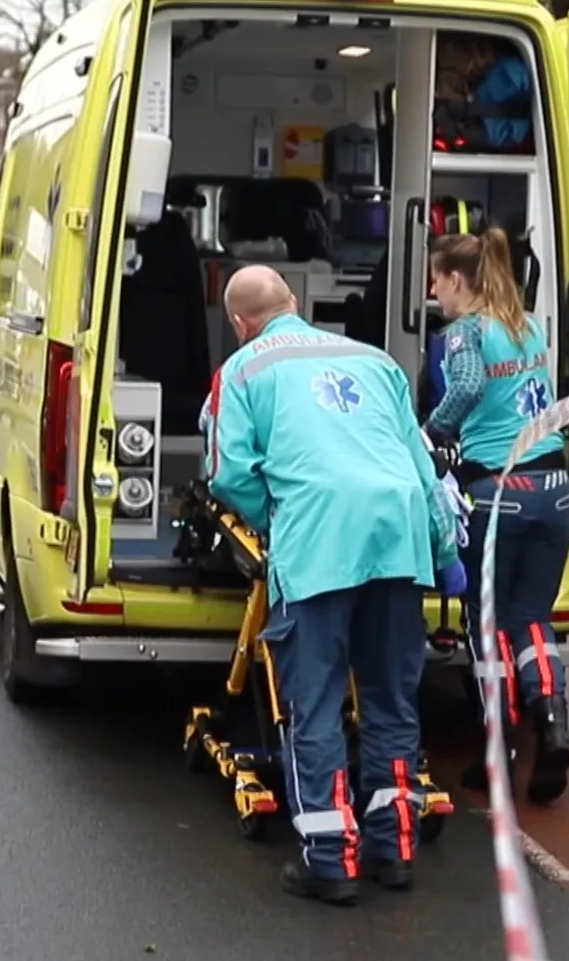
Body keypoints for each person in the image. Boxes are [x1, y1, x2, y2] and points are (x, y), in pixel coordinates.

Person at [207, 265, 467, 905]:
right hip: (396, 538)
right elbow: (421, 467)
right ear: (294, 302)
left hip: (319, 544)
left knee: (316, 706)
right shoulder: (376, 363)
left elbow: (227, 474)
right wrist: (444, 551)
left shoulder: (242, 372)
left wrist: (280, 521)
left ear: (241, 323)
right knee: (391, 702)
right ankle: (395, 849)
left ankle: (329, 861)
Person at [423, 228, 569, 806]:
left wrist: (428, 435)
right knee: (533, 620)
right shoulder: (528, 323)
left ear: (457, 279)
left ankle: (499, 748)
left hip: (496, 493)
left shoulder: (464, 333)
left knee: (486, 628)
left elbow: (463, 389)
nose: (434, 292)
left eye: (436, 280)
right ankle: (552, 722)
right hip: (554, 490)